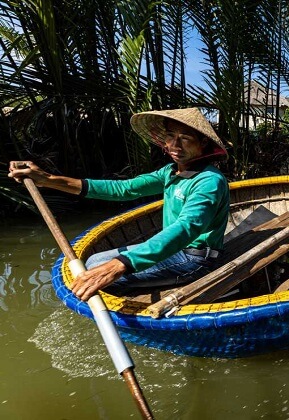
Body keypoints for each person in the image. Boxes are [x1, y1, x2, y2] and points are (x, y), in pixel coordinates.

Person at [8, 108, 230, 301]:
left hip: (195, 259)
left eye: (185, 138)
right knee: (93, 261)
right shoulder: (170, 172)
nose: (174, 145)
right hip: (175, 250)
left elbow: (186, 227)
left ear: (203, 143)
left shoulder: (209, 181)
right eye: (170, 136)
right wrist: (47, 179)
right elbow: (123, 189)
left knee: (105, 280)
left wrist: (119, 265)